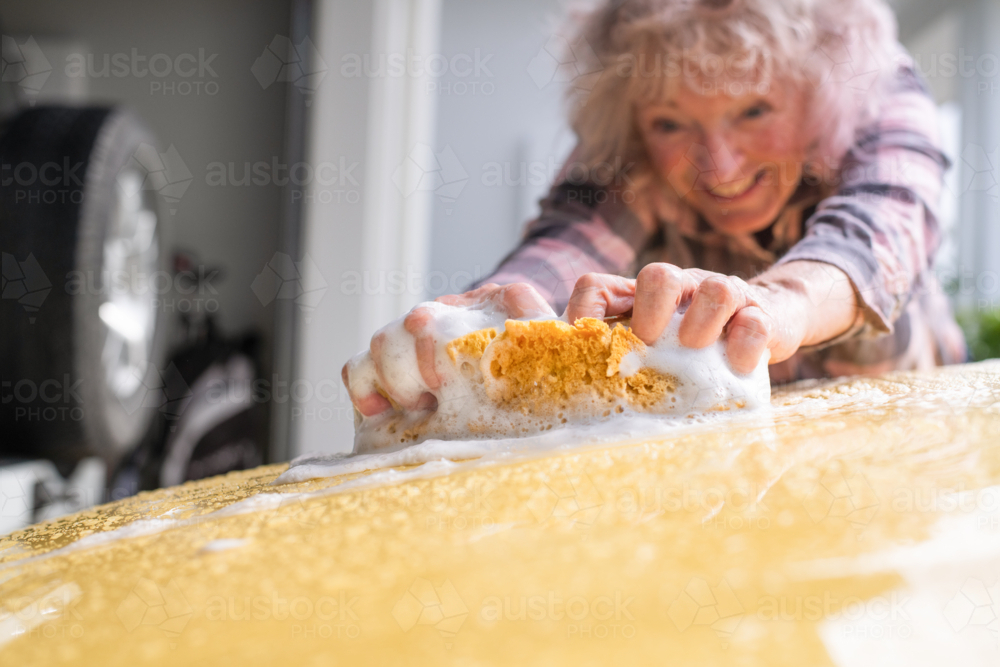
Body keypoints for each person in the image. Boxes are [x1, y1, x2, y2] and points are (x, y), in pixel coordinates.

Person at [344, 0, 967, 418]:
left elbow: (881, 229)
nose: (718, 166)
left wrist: (776, 307)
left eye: (754, 110)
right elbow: (563, 248)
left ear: (820, 94)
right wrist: (472, 325)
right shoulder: (622, 140)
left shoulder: (878, 88)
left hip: (903, 426)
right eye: (671, 123)